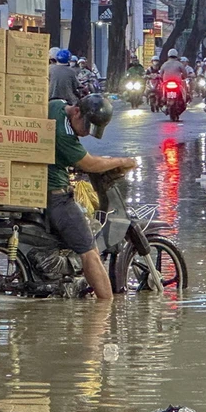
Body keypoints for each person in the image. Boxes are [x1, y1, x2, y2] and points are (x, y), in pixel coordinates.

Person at [47, 94, 136, 300]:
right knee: (90, 252)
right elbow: (88, 164)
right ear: (77, 112)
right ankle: (106, 311)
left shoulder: (56, 106)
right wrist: (120, 161)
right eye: (86, 126)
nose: (87, 132)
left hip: (42, 187)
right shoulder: (65, 134)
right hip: (56, 196)